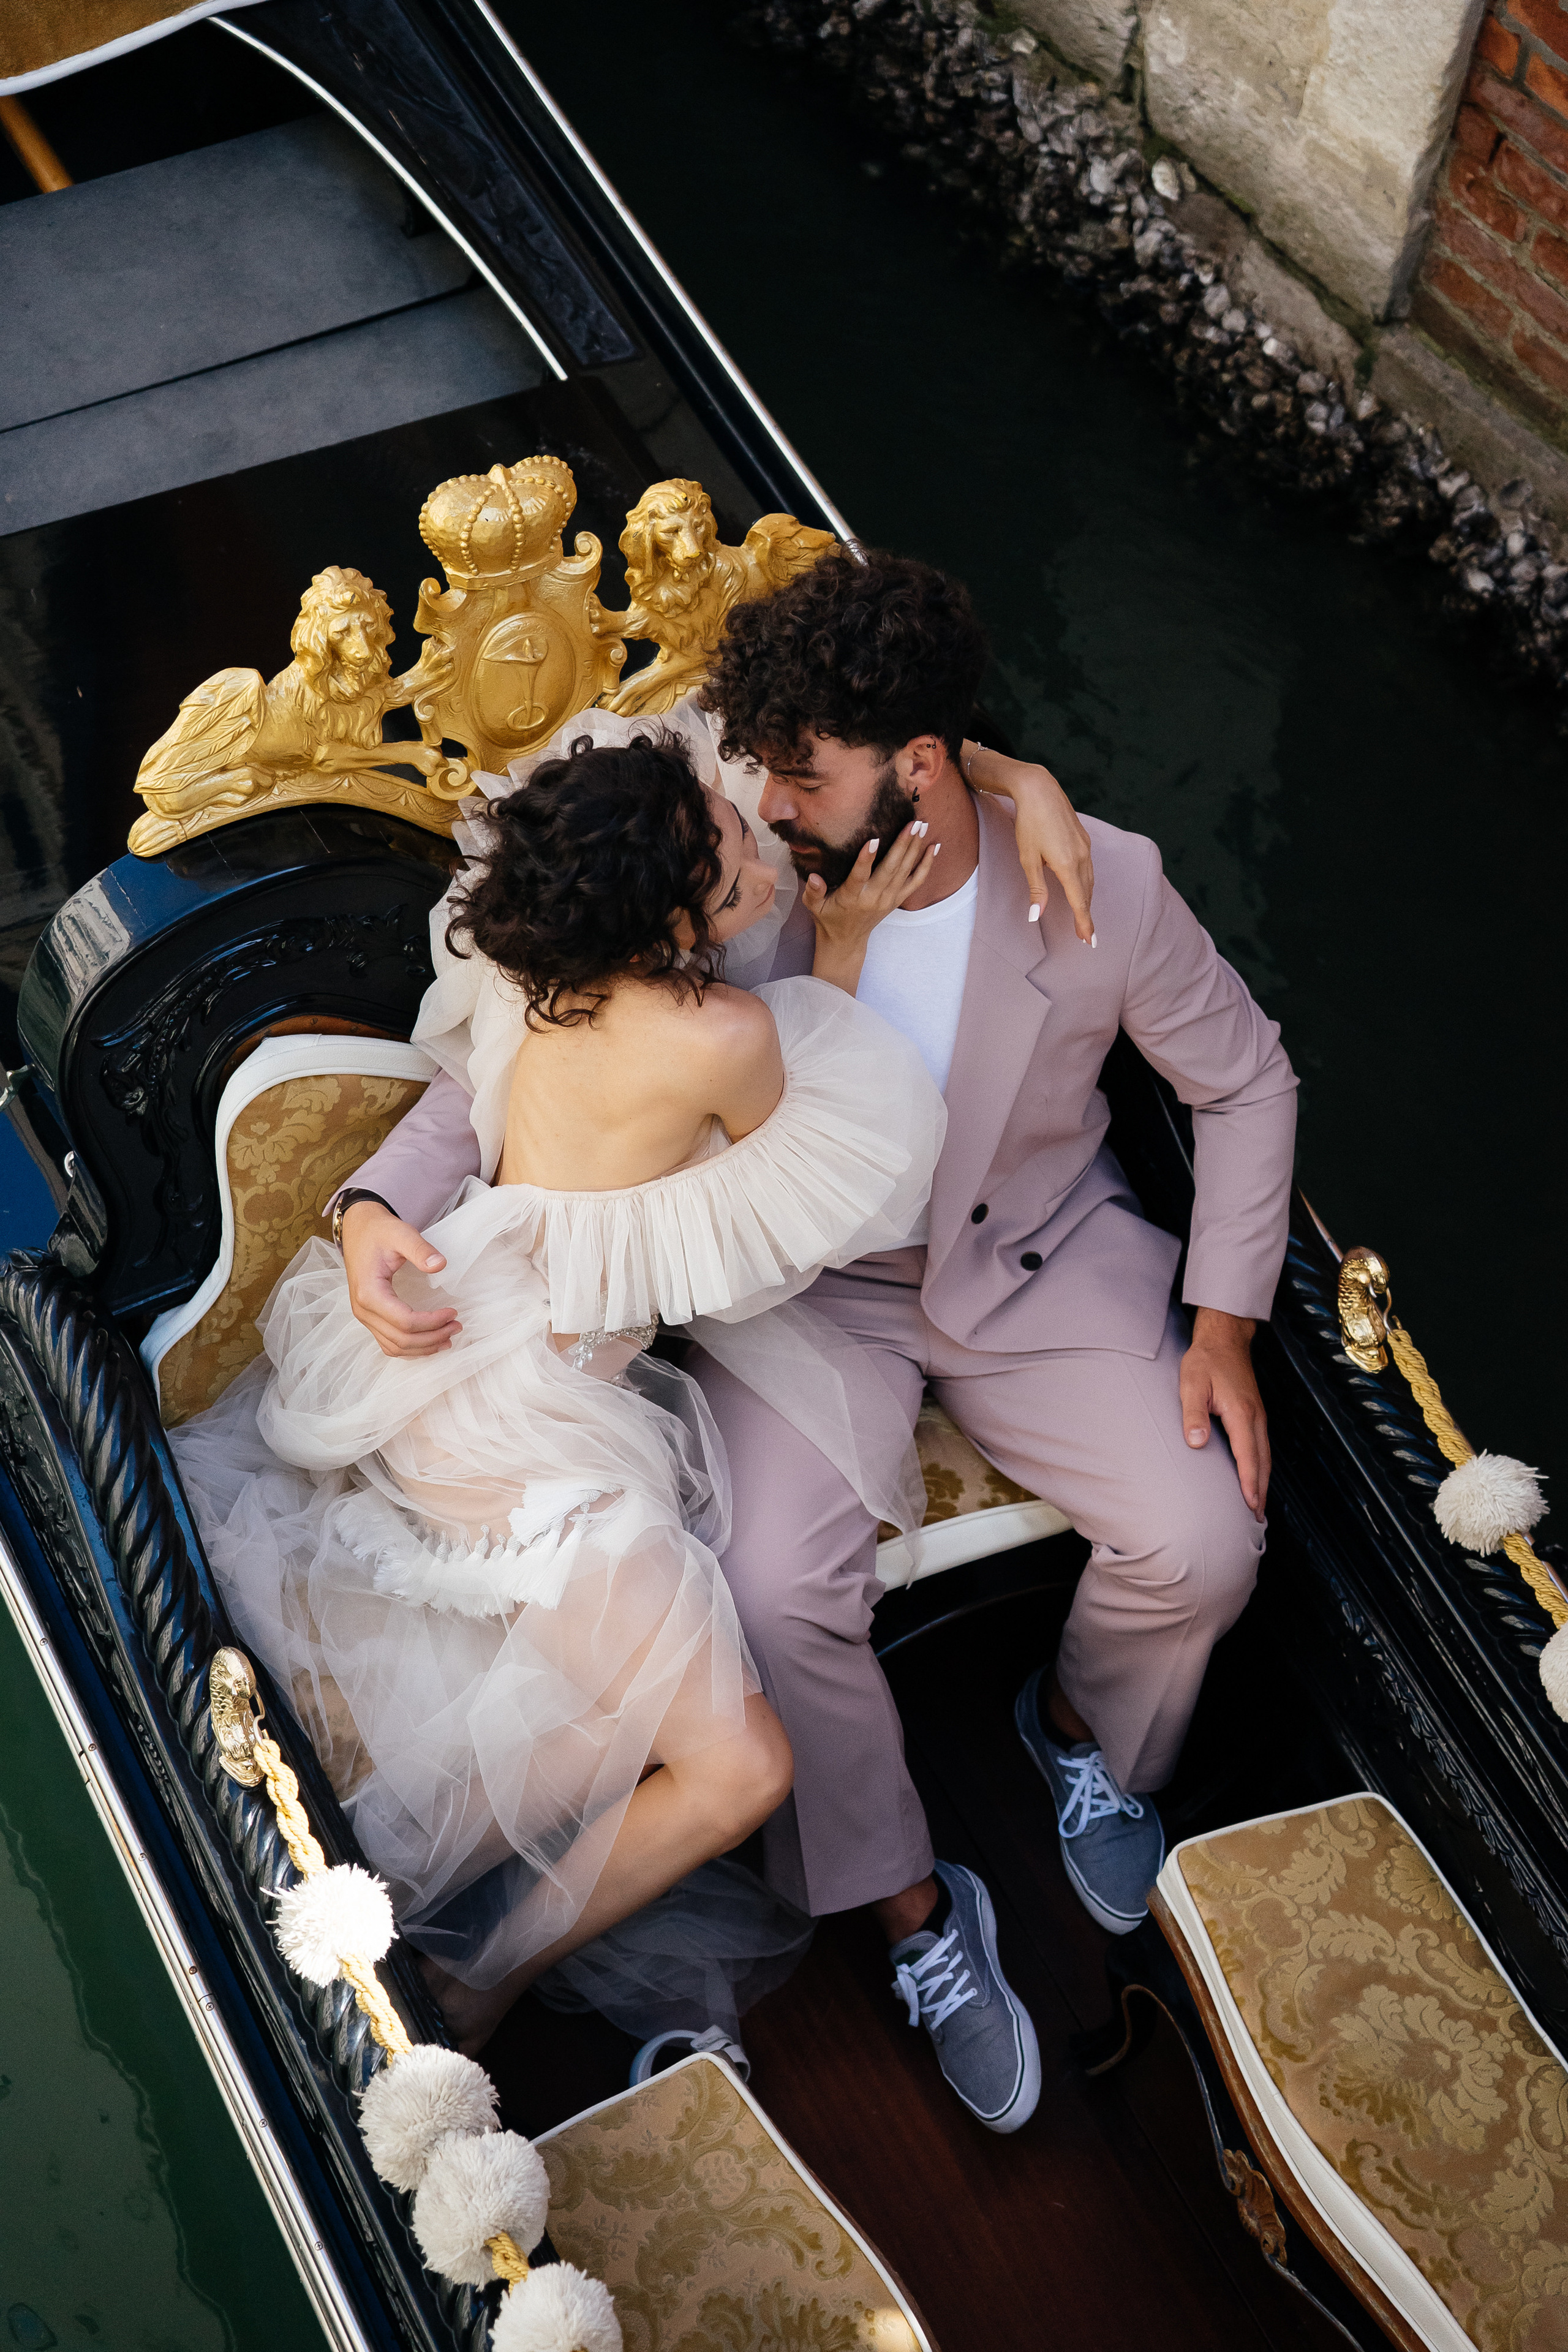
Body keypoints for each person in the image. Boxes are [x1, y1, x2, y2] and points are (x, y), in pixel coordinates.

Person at [336, 550, 1297, 2135]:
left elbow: (1246, 1083)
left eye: (802, 770)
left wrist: (1225, 1327)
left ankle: (1076, 1739)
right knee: (776, 1595)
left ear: (919, 763)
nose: (765, 797)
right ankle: (919, 1916)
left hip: (1034, 1262)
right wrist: (383, 1200)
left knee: (1206, 1538)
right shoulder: (736, 849)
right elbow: (532, 1032)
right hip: (803, 1303)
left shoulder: (1102, 883)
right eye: (761, 765)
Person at [172, 728, 954, 2057]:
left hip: (451, 1336)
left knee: (600, 1708)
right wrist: (841, 949)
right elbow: (767, 1247)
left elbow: (504, 1116)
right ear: (662, 922)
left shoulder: (541, 973)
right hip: (528, 1426)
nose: (754, 851)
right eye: (724, 860)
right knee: (743, 1769)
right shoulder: (724, 1033)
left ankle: (402, 1899)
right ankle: (478, 1985)